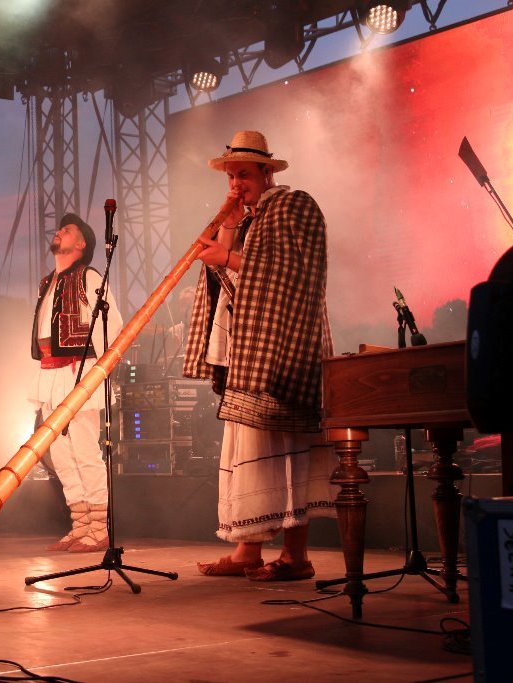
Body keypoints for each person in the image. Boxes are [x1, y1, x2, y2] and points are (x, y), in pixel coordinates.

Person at [183, 130, 336, 581]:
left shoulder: (293, 205)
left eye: (244, 175)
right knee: (249, 450)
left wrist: (227, 259)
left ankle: (296, 556)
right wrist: (229, 224)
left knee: (289, 452)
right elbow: (229, 279)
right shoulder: (249, 220)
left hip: (284, 352)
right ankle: (247, 551)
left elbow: (295, 275)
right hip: (246, 352)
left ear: (267, 172)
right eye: (230, 176)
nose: (236, 184)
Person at [29, 213, 122, 553]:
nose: (59, 231)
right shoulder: (47, 282)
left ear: (81, 244)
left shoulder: (89, 276)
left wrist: (96, 373)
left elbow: (112, 327)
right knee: (61, 456)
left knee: (84, 451)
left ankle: (98, 530)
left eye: (67, 230)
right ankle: (81, 525)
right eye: (60, 228)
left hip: (78, 371)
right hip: (50, 372)